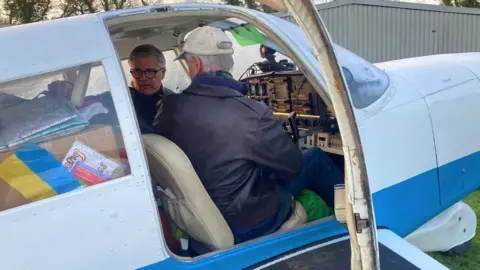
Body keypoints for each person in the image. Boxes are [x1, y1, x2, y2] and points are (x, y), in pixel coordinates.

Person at [154, 26, 343, 246]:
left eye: (186, 62)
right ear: (229, 62)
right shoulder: (251, 112)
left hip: (204, 208)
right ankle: (352, 218)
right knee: (315, 157)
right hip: (250, 219)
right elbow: (294, 167)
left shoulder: (168, 108)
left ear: (195, 62)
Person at [41, 44, 174, 133]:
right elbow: (82, 103)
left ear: (163, 73)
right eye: (137, 72)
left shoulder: (175, 102)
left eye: (150, 72)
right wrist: (67, 90)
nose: (143, 78)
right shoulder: (116, 98)